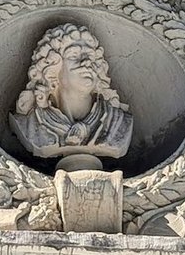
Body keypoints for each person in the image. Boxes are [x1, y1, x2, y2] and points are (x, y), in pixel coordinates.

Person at [8, 23, 133, 161]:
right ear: (52, 70)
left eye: (90, 56)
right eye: (74, 56)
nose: (86, 62)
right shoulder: (30, 124)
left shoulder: (118, 122)